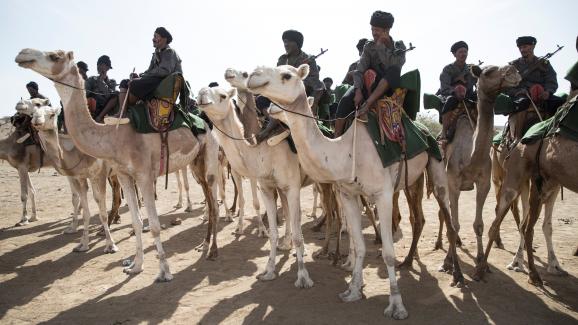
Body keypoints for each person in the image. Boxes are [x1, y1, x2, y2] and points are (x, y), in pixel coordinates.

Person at [334, 11, 406, 137]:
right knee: (345, 100)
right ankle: (336, 136)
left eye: (377, 30)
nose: (373, 33)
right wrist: (357, 91)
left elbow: (393, 66)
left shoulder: (398, 47)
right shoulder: (368, 46)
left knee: (393, 71)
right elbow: (359, 70)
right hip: (367, 85)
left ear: (387, 30)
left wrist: (380, 47)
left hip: (387, 88)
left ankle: (368, 105)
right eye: (372, 29)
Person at [106, 27, 182, 125]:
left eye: (155, 36)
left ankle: (133, 107)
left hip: (164, 83)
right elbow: (149, 71)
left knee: (133, 84)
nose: (153, 39)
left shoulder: (170, 52)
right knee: (125, 82)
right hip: (154, 80)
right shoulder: (155, 54)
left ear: (164, 39)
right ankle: (121, 112)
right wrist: (140, 75)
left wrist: (142, 77)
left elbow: (164, 71)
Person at [505, 36, 564, 117]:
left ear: (533, 46)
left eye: (525, 47)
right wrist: (517, 92)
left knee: (561, 104)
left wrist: (548, 92)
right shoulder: (513, 65)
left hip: (542, 96)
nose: (522, 50)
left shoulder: (544, 63)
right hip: (522, 95)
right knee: (521, 104)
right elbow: (507, 85)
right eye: (520, 47)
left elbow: (551, 80)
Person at [436, 41, 477, 143]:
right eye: (460, 52)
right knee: (450, 100)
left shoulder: (471, 69)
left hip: (468, 96)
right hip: (451, 95)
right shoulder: (448, 69)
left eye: (465, 51)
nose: (463, 54)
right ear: (454, 54)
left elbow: (479, 83)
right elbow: (444, 87)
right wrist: (455, 91)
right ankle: (444, 132)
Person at [86, 55, 118, 122]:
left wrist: (101, 81)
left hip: (105, 109)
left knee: (116, 94)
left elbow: (110, 96)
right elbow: (85, 93)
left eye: (101, 64)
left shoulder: (112, 82)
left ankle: (100, 117)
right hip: (92, 108)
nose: (98, 66)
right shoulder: (92, 79)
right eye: (98, 64)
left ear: (108, 68)